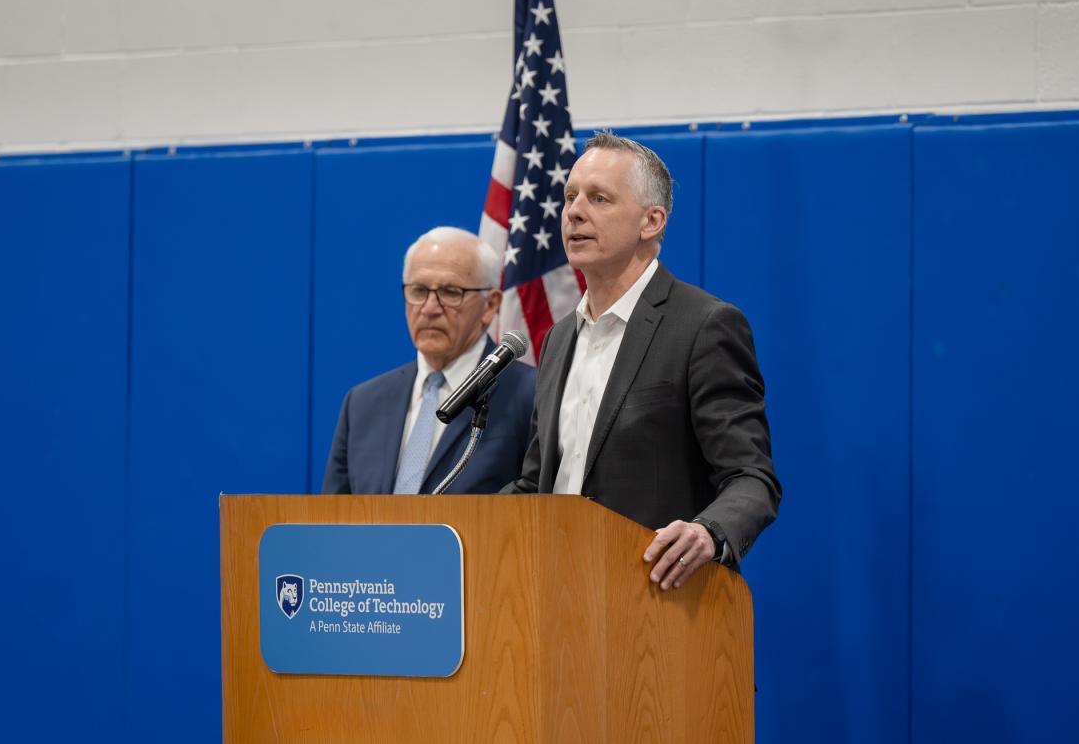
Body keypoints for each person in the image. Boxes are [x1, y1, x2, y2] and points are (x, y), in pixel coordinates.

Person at [502, 132, 781, 589]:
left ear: (651, 221)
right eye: (570, 197)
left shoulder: (703, 326)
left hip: (653, 598)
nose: (574, 212)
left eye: (599, 198)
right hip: (556, 595)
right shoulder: (558, 338)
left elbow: (751, 478)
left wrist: (707, 532)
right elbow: (537, 485)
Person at [323, 227, 536, 495]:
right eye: (419, 290)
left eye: (450, 292)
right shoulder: (362, 404)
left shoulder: (531, 394)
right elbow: (334, 515)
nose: (429, 308)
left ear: (490, 305)